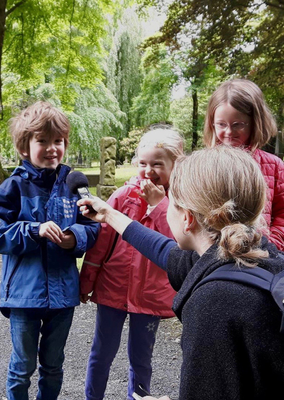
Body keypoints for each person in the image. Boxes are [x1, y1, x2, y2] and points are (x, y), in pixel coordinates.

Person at [78, 145, 284, 400]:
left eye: (171, 204)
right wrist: (109, 214)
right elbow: (162, 249)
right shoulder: (259, 254)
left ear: (187, 218)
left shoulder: (213, 302)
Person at [0, 101, 99, 400]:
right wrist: (34, 229)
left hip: (63, 295)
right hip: (23, 295)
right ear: (24, 147)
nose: (51, 148)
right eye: (41, 141)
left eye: (58, 141)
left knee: (54, 365)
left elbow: (95, 224)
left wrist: (76, 237)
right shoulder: (13, 186)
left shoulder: (74, 184)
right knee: (22, 366)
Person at [80, 127, 183, 400]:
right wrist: (86, 282)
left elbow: (177, 246)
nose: (148, 171)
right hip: (113, 290)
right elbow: (101, 243)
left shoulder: (180, 203)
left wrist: (160, 205)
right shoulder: (122, 197)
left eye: (157, 164)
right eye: (143, 164)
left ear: (175, 165)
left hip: (149, 296)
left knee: (141, 359)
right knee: (101, 353)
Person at [203, 78, 284, 250]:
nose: (228, 132)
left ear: (255, 122)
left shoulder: (275, 166)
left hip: (262, 257)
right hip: (215, 257)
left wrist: (271, 246)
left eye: (238, 125)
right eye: (221, 124)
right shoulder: (203, 165)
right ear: (212, 123)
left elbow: (282, 214)